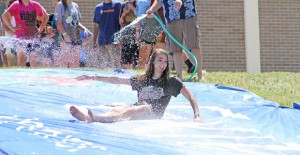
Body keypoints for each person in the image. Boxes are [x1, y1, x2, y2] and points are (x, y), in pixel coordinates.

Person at [70, 48, 201, 123]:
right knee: (118, 109)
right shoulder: (142, 79)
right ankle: (88, 117)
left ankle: (96, 118)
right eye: (160, 60)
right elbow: (117, 80)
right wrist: (93, 77)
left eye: (165, 61)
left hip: (153, 113)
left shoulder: (171, 82)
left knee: (132, 110)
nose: (163, 64)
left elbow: (191, 97)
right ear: (152, 62)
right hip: (139, 108)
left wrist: (197, 116)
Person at [146, 0, 202, 80]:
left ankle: (200, 75)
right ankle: (179, 77)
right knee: (176, 49)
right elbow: (159, 1)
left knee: (194, 46)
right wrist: (151, 9)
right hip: (171, 17)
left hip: (188, 15)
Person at [1, 0, 49, 67]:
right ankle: (20, 77)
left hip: (33, 38)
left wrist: (40, 28)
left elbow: (46, 17)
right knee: (21, 59)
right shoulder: (16, 4)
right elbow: (4, 16)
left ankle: (35, 76)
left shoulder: (35, 4)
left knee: (33, 60)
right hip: (21, 38)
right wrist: (12, 28)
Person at [55, 0, 88, 68]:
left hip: (76, 36)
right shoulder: (60, 5)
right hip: (65, 36)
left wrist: (84, 29)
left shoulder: (75, 5)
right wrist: (65, 34)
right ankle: (63, 78)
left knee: (75, 61)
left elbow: (76, 22)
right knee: (66, 60)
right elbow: (58, 23)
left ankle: (74, 78)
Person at [92, 0, 122, 69]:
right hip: (101, 41)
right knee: (102, 66)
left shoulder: (117, 5)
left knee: (116, 66)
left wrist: (121, 38)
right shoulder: (98, 7)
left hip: (114, 41)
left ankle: (116, 79)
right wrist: (94, 41)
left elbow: (121, 22)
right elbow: (96, 25)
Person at [119, 0, 139, 69]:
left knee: (138, 61)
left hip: (137, 36)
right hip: (126, 37)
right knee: (125, 61)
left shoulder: (139, 3)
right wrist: (124, 13)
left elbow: (141, 16)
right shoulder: (123, 5)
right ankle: (126, 76)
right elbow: (121, 23)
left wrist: (132, 8)